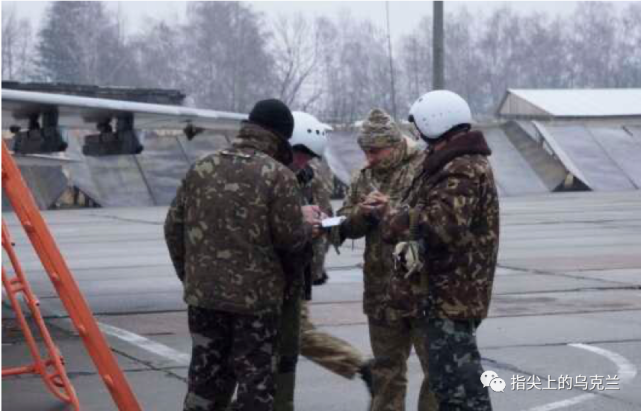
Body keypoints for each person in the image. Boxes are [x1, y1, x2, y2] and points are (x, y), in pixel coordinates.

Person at [164, 99, 320, 411]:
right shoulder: (277, 176)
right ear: (281, 137)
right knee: (255, 386)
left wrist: (192, 276)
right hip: (256, 306)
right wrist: (309, 229)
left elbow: (172, 229)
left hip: (204, 299)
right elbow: (290, 242)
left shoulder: (201, 168)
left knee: (204, 383)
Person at [383, 90, 500, 411]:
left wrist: (393, 218)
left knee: (460, 390)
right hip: (442, 296)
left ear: (436, 123)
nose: (418, 137)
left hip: (452, 298)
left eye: (420, 128)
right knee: (453, 387)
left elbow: (441, 223)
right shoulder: (448, 162)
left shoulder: (462, 167)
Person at [336, 108, 437, 411]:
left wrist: (390, 209)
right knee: (386, 371)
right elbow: (343, 223)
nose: (369, 158)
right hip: (381, 290)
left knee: (438, 369)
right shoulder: (363, 177)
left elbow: (435, 219)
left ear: (394, 145)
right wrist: (362, 214)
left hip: (421, 288)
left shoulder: (425, 168)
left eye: (375, 151)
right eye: (365, 151)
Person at [274, 111, 372, 411]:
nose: (304, 162)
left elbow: (319, 220)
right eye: (299, 155)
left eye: (307, 156)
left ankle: (363, 366)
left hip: (291, 271)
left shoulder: (306, 174)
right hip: (287, 268)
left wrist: (314, 267)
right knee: (281, 342)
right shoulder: (285, 171)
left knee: (295, 335)